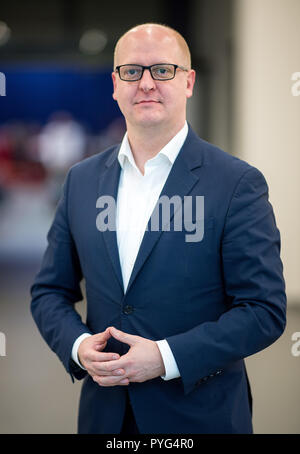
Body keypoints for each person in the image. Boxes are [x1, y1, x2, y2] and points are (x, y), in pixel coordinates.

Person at [30, 23, 286, 434]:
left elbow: (264, 310)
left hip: (199, 415)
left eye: (163, 70)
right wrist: (78, 347)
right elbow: (49, 291)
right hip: (105, 415)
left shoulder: (236, 183)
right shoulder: (81, 181)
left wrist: (166, 357)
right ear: (115, 84)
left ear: (188, 81)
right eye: (132, 71)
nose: (146, 83)